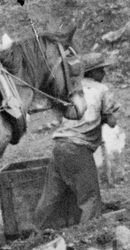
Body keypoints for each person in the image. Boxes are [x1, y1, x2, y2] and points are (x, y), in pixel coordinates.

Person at [41, 55, 118, 229]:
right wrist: (105, 117)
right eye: (101, 70)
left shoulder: (72, 89)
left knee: (51, 197)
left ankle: (34, 234)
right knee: (90, 198)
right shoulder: (101, 89)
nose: (104, 73)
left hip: (60, 146)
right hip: (79, 148)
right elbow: (112, 122)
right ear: (93, 72)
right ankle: (88, 236)